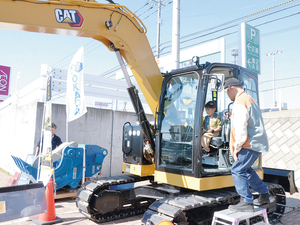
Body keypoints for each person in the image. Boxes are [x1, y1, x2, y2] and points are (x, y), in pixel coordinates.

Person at [224, 78, 270, 212]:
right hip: (256, 142)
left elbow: (241, 128)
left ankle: (246, 202)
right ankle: (264, 194)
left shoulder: (239, 101)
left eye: (227, 92)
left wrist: (236, 148)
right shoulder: (248, 99)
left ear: (230, 88)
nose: (228, 95)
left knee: (237, 169)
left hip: (248, 143)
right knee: (246, 169)